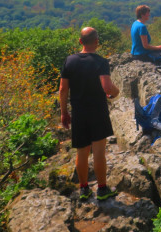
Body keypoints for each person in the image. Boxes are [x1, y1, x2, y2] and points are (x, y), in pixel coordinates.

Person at [59, 27, 120, 201]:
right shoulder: (100, 61)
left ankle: (84, 189)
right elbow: (107, 87)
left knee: (82, 152)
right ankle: (102, 189)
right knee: (99, 153)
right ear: (96, 42)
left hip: (78, 112)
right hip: (97, 111)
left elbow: (63, 89)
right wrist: (116, 93)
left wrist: (64, 112)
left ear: (80, 42)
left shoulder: (69, 61)